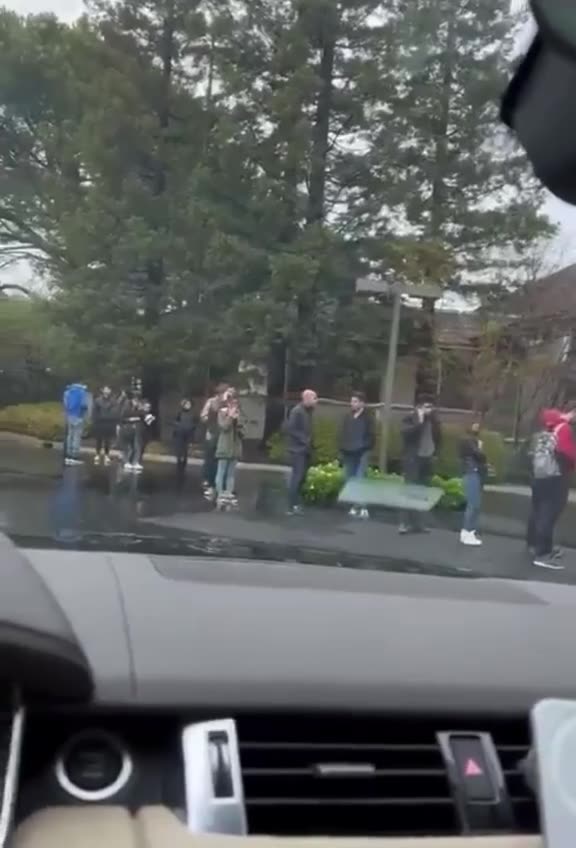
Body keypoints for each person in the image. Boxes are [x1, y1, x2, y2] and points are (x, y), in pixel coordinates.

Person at [526, 408, 576, 569]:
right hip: (556, 479)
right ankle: (543, 554)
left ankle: (533, 545)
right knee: (549, 514)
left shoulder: (542, 434)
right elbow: (568, 455)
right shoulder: (564, 430)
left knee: (537, 511)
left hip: (539, 478)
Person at [399, 396, 442, 533]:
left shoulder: (434, 421)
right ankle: (404, 523)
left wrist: (435, 454)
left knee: (422, 492)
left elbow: (438, 438)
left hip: (426, 459)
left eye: (431, 407)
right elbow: (406, 434)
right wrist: (420, 421)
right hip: (413, 459)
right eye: (426, 406)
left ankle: (419, 523)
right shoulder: (409, 419)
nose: (430, 409)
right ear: (418, 408)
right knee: (409, 490)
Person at [339, 391, 374, 519]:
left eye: (355, 401)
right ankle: (355, 505)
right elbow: (343, 434)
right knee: (350, 478)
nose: (352, 404)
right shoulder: (348, 416)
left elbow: (371, 436)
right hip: (349, 452)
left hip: (362, 452)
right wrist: (342, 449)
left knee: (360, 478)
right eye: (351, 401)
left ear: (362, 403)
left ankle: (362, 506)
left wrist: (364, 447)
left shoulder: (368, 418)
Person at [285, 389, 318, 515]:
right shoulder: (297, 411)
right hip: (297, 449)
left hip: (305, 450)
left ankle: (296, 503)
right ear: (307, 398)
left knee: (302, 477)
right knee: (297, 477)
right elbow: (291, 429)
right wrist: (304, 440)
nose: (316, 401)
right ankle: (291, 505)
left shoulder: (308, 412)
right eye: (314, 398)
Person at [459, 421, 487, 546]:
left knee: (474, 504)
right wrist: (480, 448)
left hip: (471, 472)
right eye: (474, 425)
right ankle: (468, 532)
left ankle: (468, 532)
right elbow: (480, 456)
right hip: (472, 472)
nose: (477, 427)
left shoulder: (468, 439)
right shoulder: (468, 441)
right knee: (474, 504)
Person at [215, 389, 243, 509]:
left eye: (235, 401)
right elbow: (224, 427)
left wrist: (238, 421)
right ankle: (220, 493)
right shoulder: (222, 412)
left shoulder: (238, 412)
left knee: (231, 473)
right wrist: (230, 417)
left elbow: (243, 430)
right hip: (225, 445)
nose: (233, 403)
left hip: (235, 446)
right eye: (231, 401)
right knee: (221, 471)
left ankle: (228, 493)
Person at [200, 383, 229, 499]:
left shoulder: (228, 404)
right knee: (210, 459)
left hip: (223, 435)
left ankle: (220, 483)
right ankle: (208, 481)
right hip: (212, 433)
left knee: (220, 460)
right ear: (219, 393)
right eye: (224, 393)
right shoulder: (211, 402)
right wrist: (209, 420)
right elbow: (203, 416)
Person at [62, 382, 89, 466]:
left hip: (69, 416)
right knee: (77, 436)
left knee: (70, 435)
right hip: (78, 416)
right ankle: (74, 456)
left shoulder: (67, 393)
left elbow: (65, 404)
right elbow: (84, 405)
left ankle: (68, 455)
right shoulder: (82, 393)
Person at [92, 386, 118, 465]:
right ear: (102, 390)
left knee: (108, 440)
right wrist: (95, 420)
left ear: (110, 391)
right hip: (100, 423)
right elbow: (94, 412)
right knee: (99, 440)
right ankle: (97, 454)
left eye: (108, 389)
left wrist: (114, 421)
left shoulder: (113, 401)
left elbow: (115, 412)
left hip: (109, 423)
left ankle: (107, 455)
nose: (106, 391)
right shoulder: (98, 400)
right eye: (105, 389)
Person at [118, 395, 144, 472]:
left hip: (136, 430)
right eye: (135, 401)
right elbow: (122, 418)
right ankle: (126, 461)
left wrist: (141, 410)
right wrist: (132, 419)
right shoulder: (126, 408)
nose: (136, 403)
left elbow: (143, 416)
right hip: (127, 430)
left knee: (136, 446)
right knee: (127, 447)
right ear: (132, 401)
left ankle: (135, 462)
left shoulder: (139, 409)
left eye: (137, 401)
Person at [173, 399, 196, 472]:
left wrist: (192, 429)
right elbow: (175, 421)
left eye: (189, 404)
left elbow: (194, 423)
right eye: (187, 404)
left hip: (188, 433)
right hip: (180, 433)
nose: (188, 406)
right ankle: (179, 461)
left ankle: (184, 462)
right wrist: (178, 427)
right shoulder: (179, 413)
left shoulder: (192, 414)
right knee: (179, 448)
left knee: (186, 449)